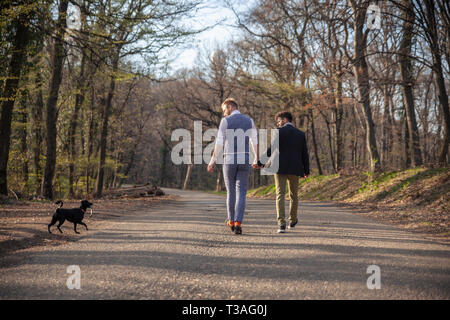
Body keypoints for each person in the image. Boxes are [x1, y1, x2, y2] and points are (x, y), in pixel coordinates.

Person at [208, 98, 259, 235]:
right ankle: (238, 223)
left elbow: (219, 142)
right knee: (241, 192)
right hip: (245, 159)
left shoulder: (226, 121)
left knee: (230, 191)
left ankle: (231, 220)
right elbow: (254, 140)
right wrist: (257, 158)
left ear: (230, 107)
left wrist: (212, 160)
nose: (224, 113)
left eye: (225, 110)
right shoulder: (249, 121)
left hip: (229, 158)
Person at [264, 111, 310, 233]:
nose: (278, 124)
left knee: (280, 195)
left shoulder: (279, 132)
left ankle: (281, 224)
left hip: (279, 168)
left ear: (284, 120)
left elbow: (271, 149)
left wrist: (260, 162)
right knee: (294, 195)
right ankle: (293, 220)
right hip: (295, 168)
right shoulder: (300, 134)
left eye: (279, 121)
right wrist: (306, 170)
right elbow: (304, 154)